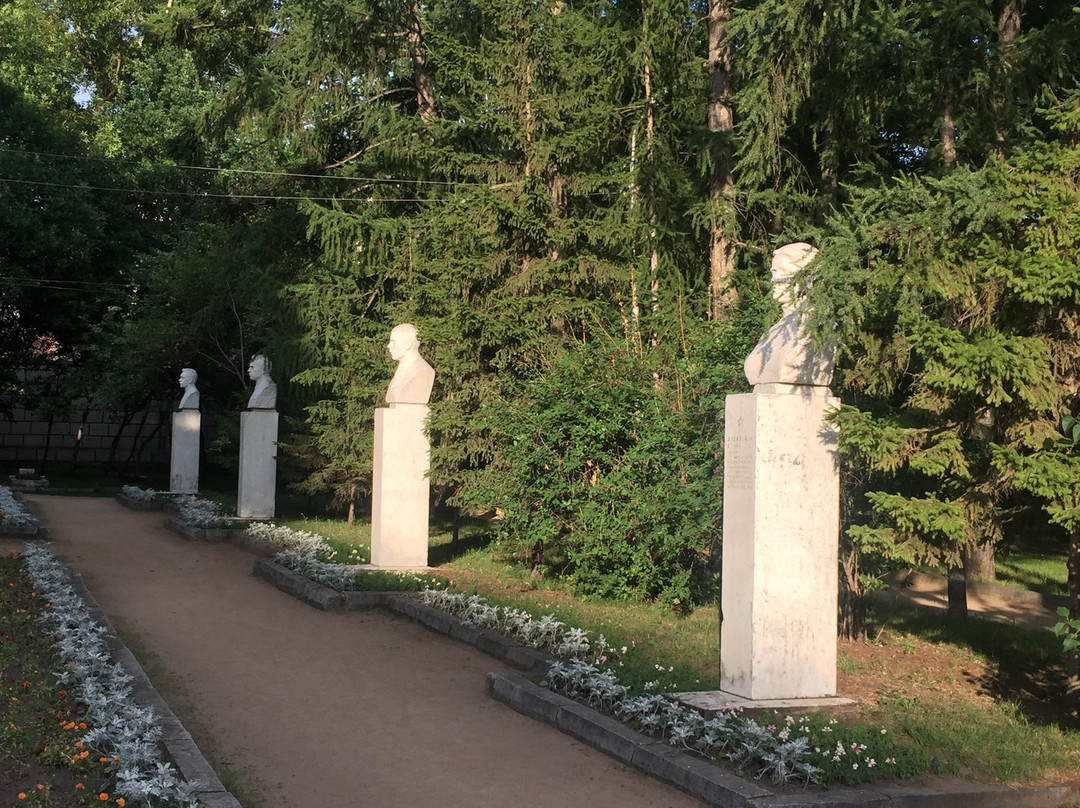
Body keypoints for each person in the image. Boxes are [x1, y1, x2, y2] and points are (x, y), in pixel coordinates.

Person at [743, 242, 836, 388]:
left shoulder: (817, 323)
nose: (774, 280)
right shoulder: (775, 329)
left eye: (783, 272)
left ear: (807, 277)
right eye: (773, 272)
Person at [385, 323, 435, 405]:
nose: (389, 346)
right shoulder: (400, 370)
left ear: (408, 344)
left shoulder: (423, 371)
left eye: (394, 341)